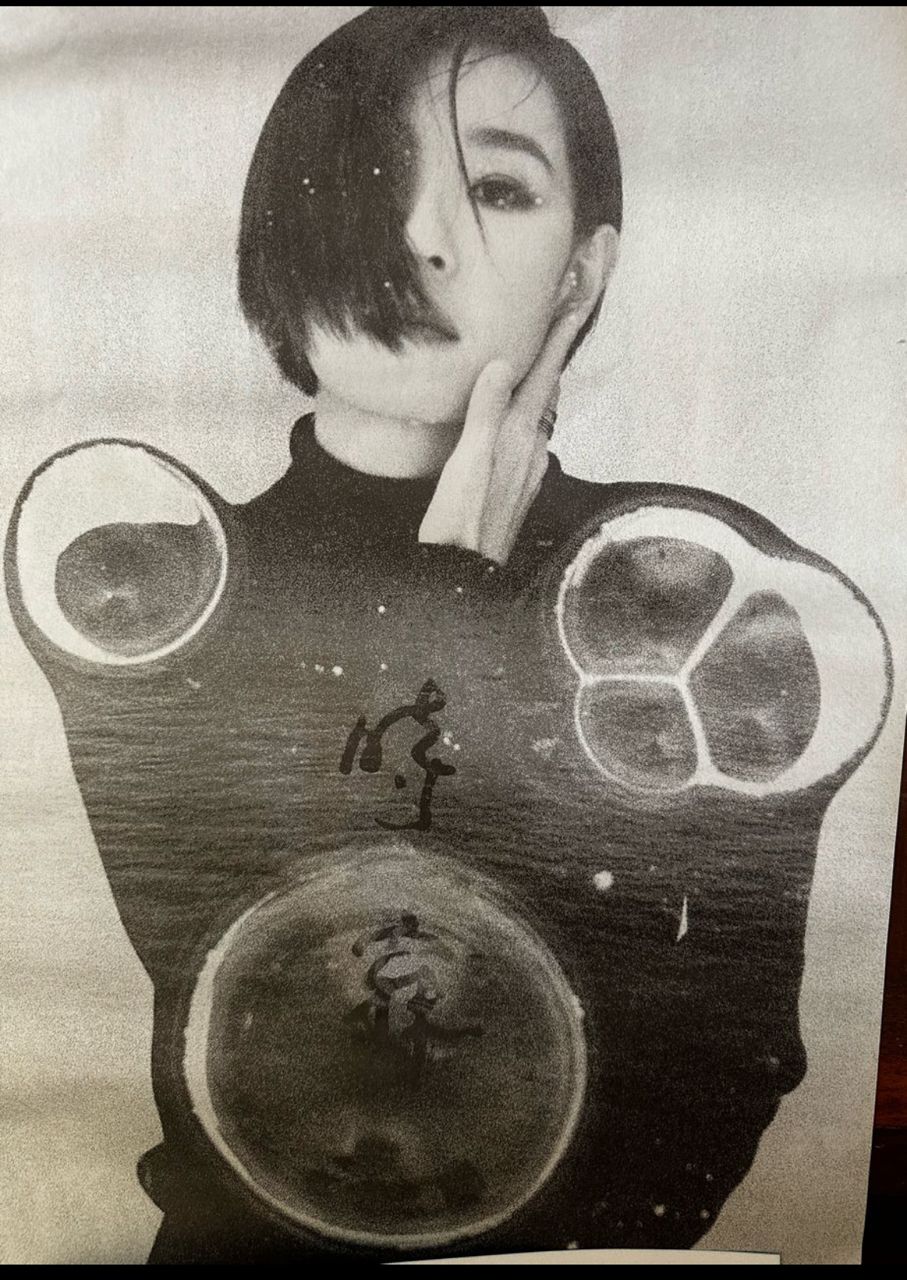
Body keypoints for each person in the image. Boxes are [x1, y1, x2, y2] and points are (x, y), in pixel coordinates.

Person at [4, 5, 892, 1264]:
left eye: (496, 188)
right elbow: (276, 988)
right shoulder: (146, 586)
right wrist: (454, 573)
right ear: (276, 232)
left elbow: (725, 1078)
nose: (421, 237)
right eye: (363, 176)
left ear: (580, 273)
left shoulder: (688, 591)